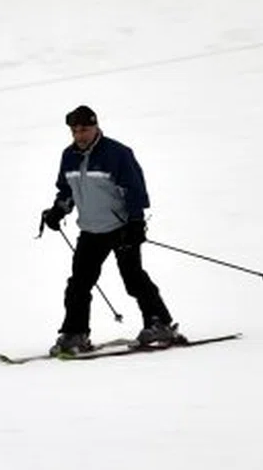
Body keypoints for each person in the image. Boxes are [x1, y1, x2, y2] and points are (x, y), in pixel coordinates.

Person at [40, 105, 178, 356]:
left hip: (121, 228)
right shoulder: (68, 156)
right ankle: (75, 333)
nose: (79, 135)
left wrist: (136, 222)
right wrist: (58, 211)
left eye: (84, 129)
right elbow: (67, 190)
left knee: (133, 279)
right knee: (78, 284)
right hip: (90, 231)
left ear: (95, 127)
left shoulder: (117, 153)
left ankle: (159, 323)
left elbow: (135, 190)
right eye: (74, 131)